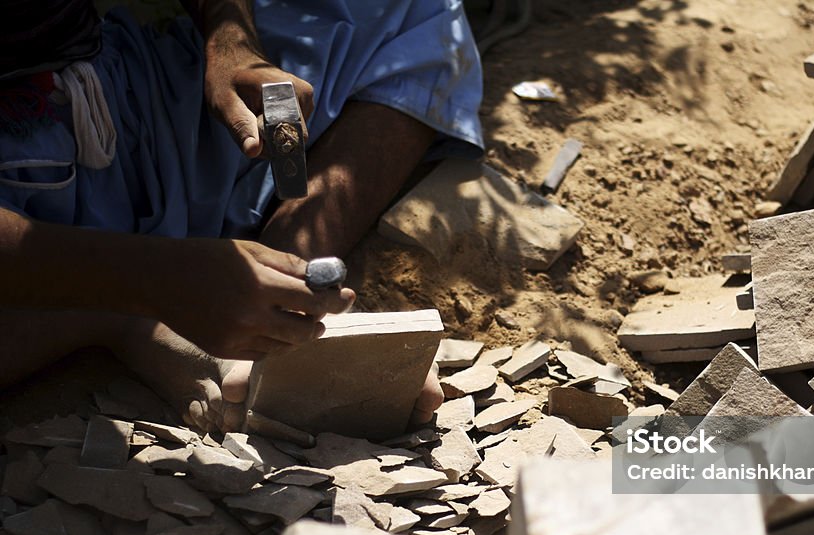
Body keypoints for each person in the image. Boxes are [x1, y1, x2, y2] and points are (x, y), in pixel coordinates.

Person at [0, 0, 485, 432]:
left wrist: (230, 41)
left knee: (417, 11)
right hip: (19, 184)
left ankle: (280, 278)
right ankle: (118, 316)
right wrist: (153, 281)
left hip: (117, 98)